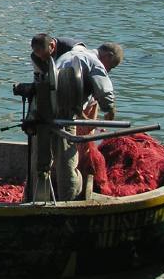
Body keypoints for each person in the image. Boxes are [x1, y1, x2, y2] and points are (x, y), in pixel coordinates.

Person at [50, 42, 124, 200]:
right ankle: (69, 199)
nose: (109, 71)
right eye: (111, 67)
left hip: (47, 110)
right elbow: (106, 94)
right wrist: (110, 110)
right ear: (108, 56)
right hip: (64, 115)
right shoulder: (94, 61)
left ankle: (44, 190)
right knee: (67, 159)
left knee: (48, 155)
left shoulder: (70, 54)